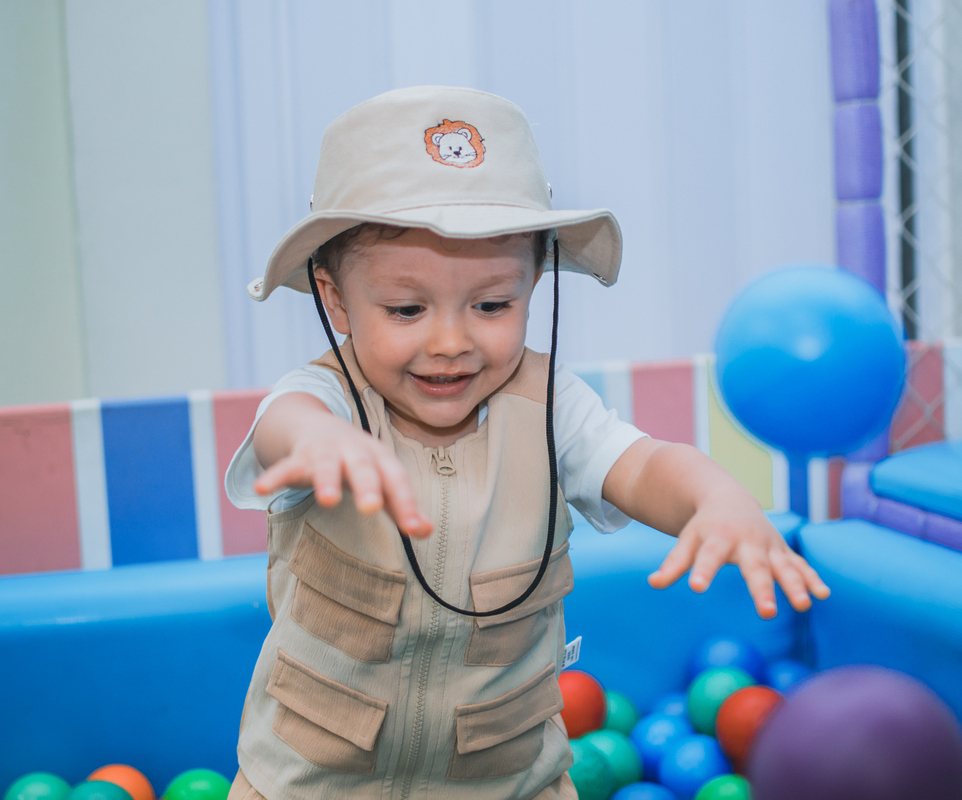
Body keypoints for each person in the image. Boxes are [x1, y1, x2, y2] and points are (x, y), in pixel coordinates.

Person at [224, 85, 829, 800]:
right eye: (407, 309)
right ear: (335, 300)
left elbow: (641, 465)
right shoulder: (326, 401)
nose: (451, 341)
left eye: (491, 305)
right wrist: (324, 442)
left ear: (534, 284)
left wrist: (713, 495)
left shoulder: (550, 409)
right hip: (310, 783)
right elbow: (283, 426)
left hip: (506, 783)